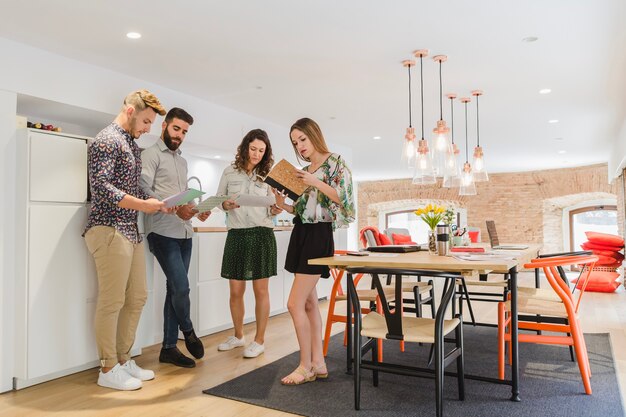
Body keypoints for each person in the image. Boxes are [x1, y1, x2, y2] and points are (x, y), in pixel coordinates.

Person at [83, 89, 168, 391]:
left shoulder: (131, 145)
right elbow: (102, 187)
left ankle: (122, 359)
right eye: (146, 122)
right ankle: (107, 368)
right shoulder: (107, 140)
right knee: (113, 300)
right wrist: (143, 205)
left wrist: (156, 201)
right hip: (108, 228)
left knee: (137, 297)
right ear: (131, 112)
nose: (147, 129)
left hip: (129, 229)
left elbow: (134, 187)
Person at [273, 117, 355, 385]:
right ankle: (318, 363)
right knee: (308, 302)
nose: (300, 146)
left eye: (303, 139)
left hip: (319, 235)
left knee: (293, 303)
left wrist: (313, 180)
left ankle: (304, 365)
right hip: (301, 233)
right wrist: (281, 204)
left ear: (314, 135)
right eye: (295, 142)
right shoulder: (305, 169)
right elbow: (302, 209)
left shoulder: (335, 163)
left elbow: (344, 199)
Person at [140, 107, 211, 368]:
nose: (179, 135)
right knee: (181, 287)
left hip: (184, 231)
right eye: (176, 128)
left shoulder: (182, 161)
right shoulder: (149, 154)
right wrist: (164, 204)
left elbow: (181, 198)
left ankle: (168, 348)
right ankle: (188, 331)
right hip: (161, 231)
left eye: (184, 132)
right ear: (164, 126)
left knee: (174, 288)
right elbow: (144, 186)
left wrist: (193, 211)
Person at [216, 129, 283, 358]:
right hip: (236, 234)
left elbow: (273, 207)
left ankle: (260, 340)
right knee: (235, 290)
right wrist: (225, 205)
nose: (256, 154)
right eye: (253, 149)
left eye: (261, 151)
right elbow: (219, 200)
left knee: (260, 290)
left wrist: (276, 208)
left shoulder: (268, 177)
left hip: (262, 234)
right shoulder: (229, 172)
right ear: (245, 147)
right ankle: (238, 335)